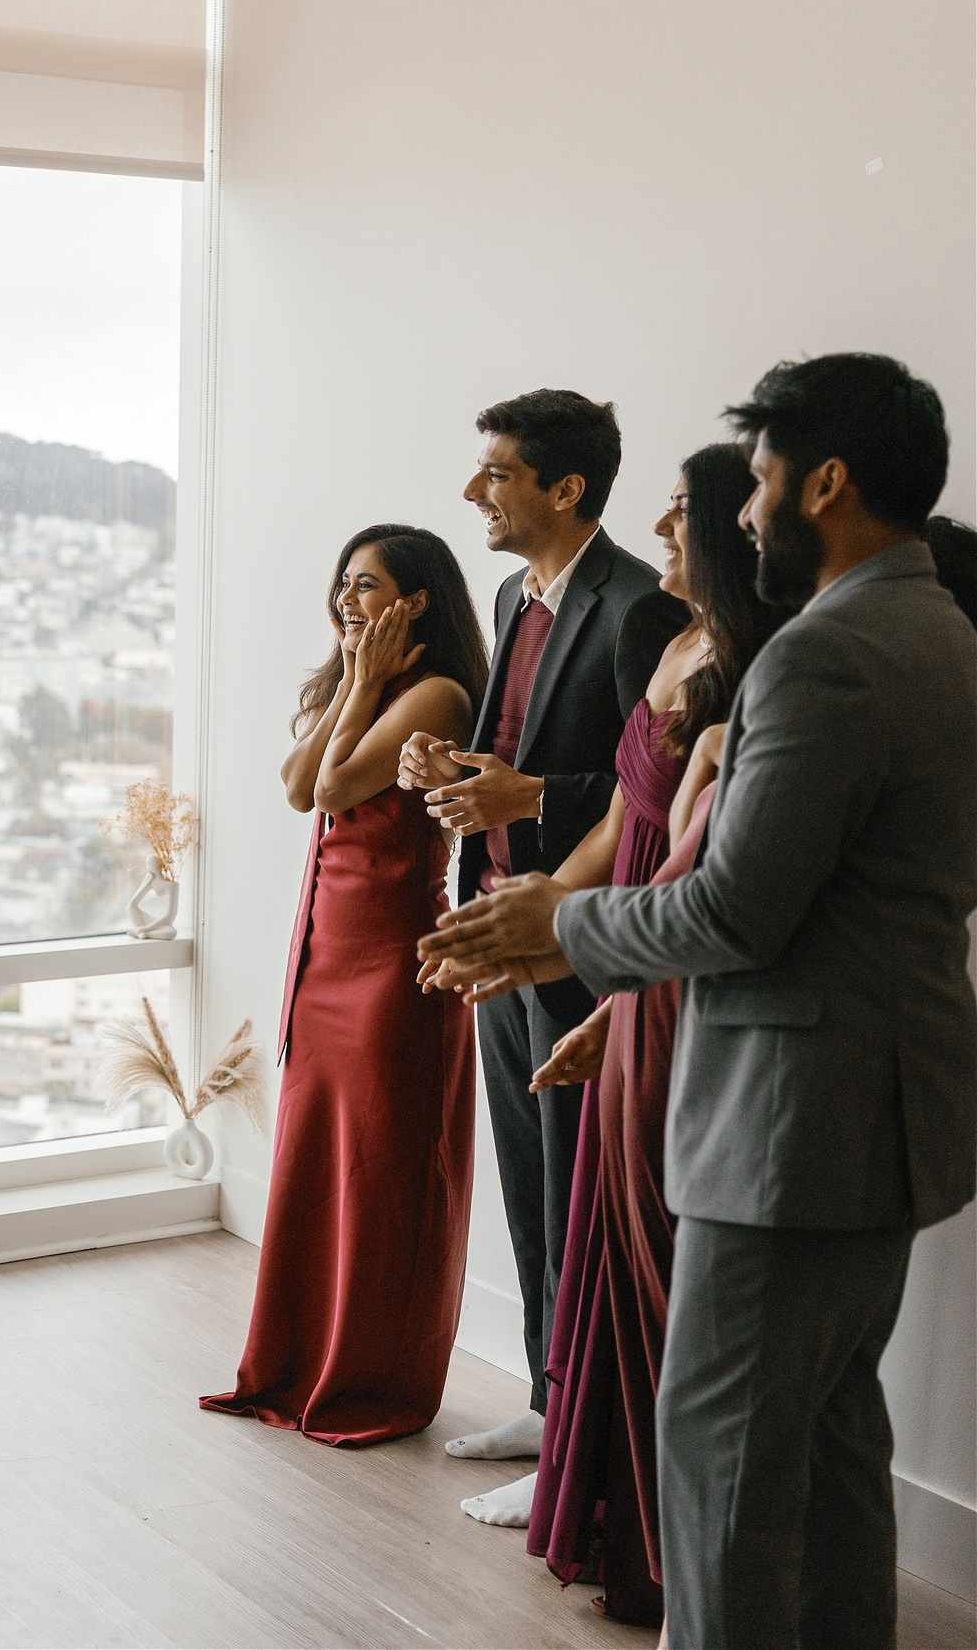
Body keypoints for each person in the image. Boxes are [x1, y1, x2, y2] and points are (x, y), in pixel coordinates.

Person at [420, 355, 977, 1649]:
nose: (741, 514)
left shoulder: (824, 657)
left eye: (761, 481)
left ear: (824, 481)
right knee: (837, 1446)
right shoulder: (944, 626)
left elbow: (732, 909)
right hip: (890, 1115)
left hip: (791, 1125)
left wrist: (559, 918)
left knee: (719, 1459)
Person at [426, 442, 791, 1621]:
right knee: (573, 1217)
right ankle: (591, 1484)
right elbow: (624, 809)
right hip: (593, 934)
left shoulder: (719, 652)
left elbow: (687, 853)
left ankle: (665, 1540)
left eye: (689, 509)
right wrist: (526, 927)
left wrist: (581, 947)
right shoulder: (646, 636)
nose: (668, 523)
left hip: (653, 958)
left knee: (646, 1257)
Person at [396, 391, 689, 1517]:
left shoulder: (636, 608)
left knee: (577, 1182)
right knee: (525, 1178)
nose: (475, 491)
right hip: (495, 918)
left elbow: (645, 788)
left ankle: (576, 1431)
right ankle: (540, 1388)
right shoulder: (517, 593)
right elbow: (505, 750)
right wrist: (448, 766)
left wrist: (533, 796)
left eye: (497, 473)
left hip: (578, 938)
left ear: (565, 490)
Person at [200, 526, 488, 1444]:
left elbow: (337, 787)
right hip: (325, 957)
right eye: (345, 583)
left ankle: (370, 1377)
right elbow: (297, 785)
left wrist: (363, 685)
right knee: (317, 1164)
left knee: (382, 1173)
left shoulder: (436, 691)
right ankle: (295, 1360)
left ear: (418, 604)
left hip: (396, 964)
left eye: (370, 587)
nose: (348, 601)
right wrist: (354, 682)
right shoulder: (354, 685)